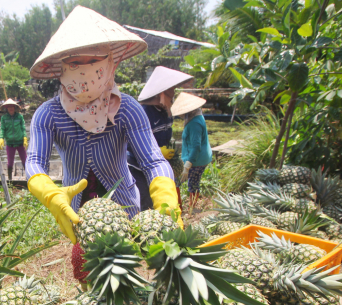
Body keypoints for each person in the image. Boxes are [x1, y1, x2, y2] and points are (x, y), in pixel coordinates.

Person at [25, 6, 183, 283]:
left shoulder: (127, 109)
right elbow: (34, 161)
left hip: (125, 204)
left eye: (94, 61)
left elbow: (153, 160)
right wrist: (49, 193)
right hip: (75, 209)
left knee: (125, 274)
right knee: (85, 271)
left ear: (111, 63)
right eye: (75, 63)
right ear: (61, 69)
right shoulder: (48, 115)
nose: (85, 72)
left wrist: (166, 195)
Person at [128, 66, 193, 211]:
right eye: (172, 91)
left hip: (157, 163)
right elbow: (129, 143)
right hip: (137, 166)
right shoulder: (143, 112)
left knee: (163, 199)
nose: (174, 95)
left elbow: (166, 136)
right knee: (144, 200)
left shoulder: (166, 111)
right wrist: (157, 151)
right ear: (162, 93)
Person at [172, 92, 212, 212]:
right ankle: (181, 206)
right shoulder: (194, 118)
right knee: (178, 181)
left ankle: (191, 209)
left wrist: (188, 165)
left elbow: (196, 146)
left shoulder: (195, 123)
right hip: (193, 157)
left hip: (197, 159)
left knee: (191, 183)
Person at [0, 99, 28, 181]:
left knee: (25, 160)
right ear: (6, 108)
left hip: (20, 143)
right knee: (10, 162)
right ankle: (10, 180)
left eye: (12, 107)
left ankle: (28, 178)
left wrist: (25, 137)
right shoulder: (4, 118)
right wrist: (1, 138)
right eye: (9, 107)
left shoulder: (19, 117)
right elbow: (2, 129)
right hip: (10, 143)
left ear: (15, 108)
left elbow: (23, 128)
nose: (11, 109)